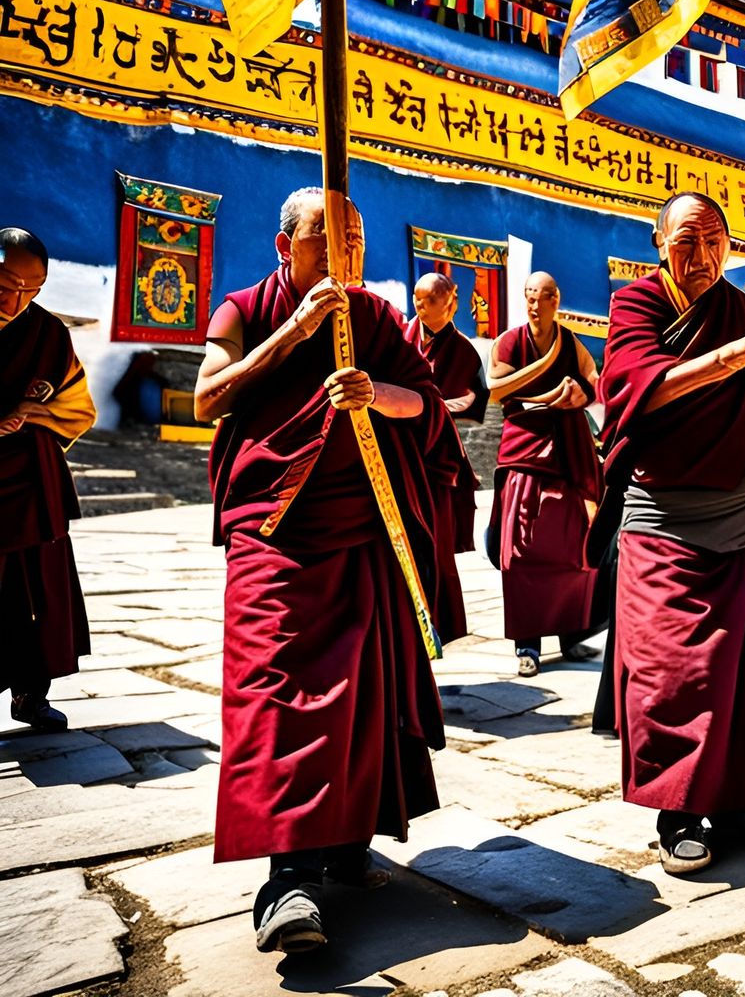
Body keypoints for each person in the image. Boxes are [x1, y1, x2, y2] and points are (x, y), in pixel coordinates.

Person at [195, 188, 449, 956]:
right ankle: (286, 876)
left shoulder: (372, 318)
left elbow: (428, 404)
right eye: (324, 238)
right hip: (273, 532)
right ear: (285, 247)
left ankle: (341, 838)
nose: (345, 255)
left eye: (356, 240)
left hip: (364, 528)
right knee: (276, 691)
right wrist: (295, 334)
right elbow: (208, 397)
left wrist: (377, 394)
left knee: (360, 696)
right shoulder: (244, 308)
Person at [595, 192, 745, 875]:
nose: (699, 256)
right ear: (657, 242)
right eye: (684, 241)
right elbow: (644, 386)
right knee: (674, 673)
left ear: (730, 245)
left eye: (712, 241)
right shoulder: (637, 306)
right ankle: (679, 808)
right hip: (666, 518)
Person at [0, 228, 95, 730]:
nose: (18, 300)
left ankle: (30, 695)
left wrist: (33, 416)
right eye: (6, 286)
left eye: (32, 290)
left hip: (30, 483)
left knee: (37, 590)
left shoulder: (48, 332)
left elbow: (77, 408)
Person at [487, 271, 604, 676]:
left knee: (572, 549)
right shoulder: (509, 341)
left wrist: (577, 396)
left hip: (567, 453)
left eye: (546, 296)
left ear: (558, 299)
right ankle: (527, 644)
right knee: (520, 551)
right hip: (526, 453)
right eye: (531, 297)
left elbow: (594, 383)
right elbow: (496, 388)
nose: (537, 304)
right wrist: (544, 395)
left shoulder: (570, 342)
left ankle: (571, 635)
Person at [404, 273, 487, 644]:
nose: (419, 306)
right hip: (398, 452)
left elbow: (469, 401)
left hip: (435, 460)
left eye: (428, 300)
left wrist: (425, 405)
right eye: (416, 299)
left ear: (448, 303)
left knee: (434, 548)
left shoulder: (464, 352)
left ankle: (438, 625)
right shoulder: (400, 336)